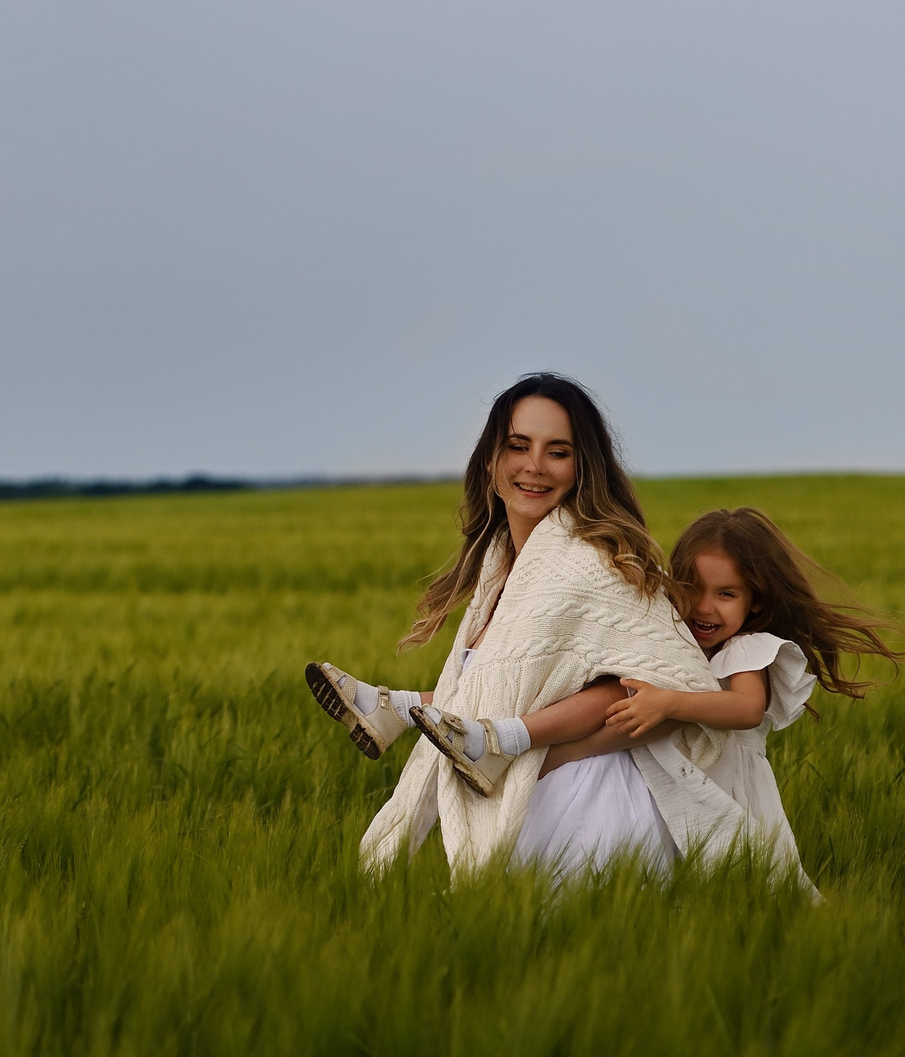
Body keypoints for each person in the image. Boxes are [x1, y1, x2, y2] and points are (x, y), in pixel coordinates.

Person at [304, 373, 750, 876]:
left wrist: (547, 752)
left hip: (588, 808)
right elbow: (502, 682)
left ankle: (396, 708)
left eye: (558, 452)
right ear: (490, 458)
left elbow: (665, 688)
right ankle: (397, 707)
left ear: (582, 468)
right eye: (519, 446)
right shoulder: (503, 561)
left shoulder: (590, 564)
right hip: (525, 799)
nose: (534, 465)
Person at [571, 506, 905, 886]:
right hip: (681, 790)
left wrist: (668, 703)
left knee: (750, 883)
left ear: (757, 601)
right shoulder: (674, 644)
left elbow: (747, 708)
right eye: (692, 587)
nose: (704, 606)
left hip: (733, 793)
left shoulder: (745, 648)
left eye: (726, 594)